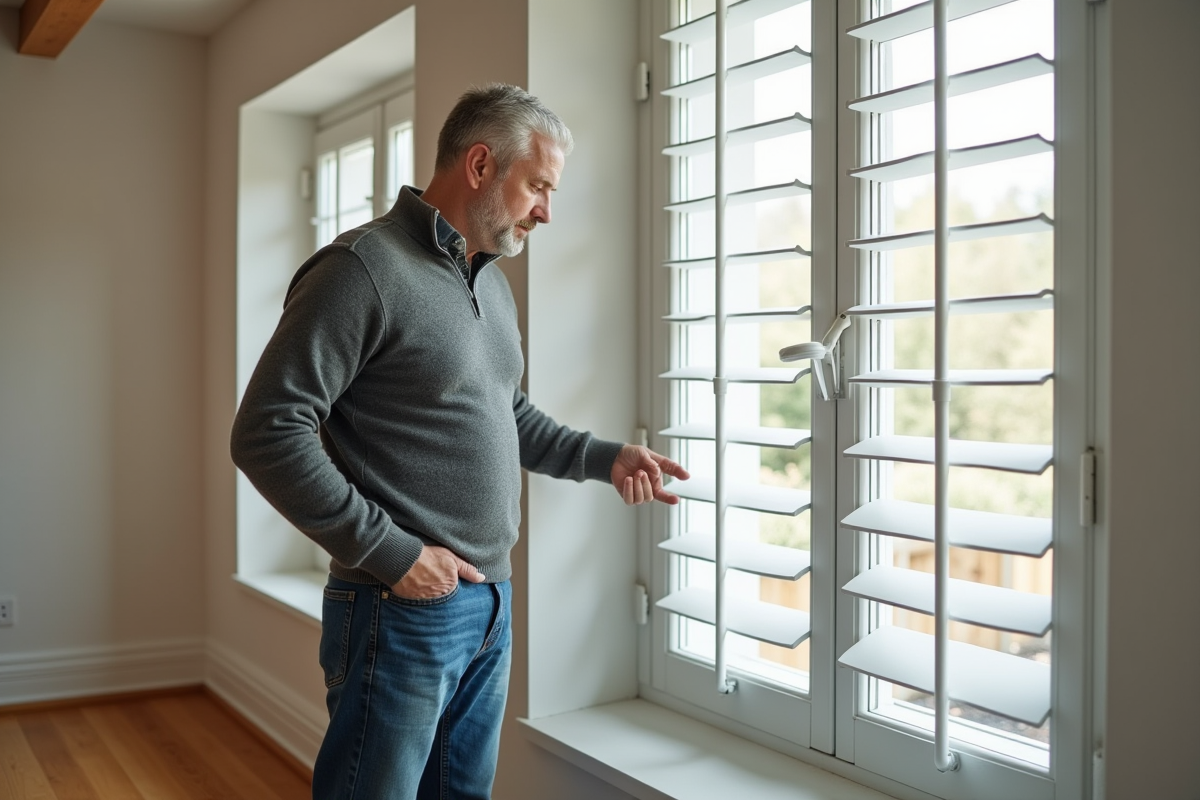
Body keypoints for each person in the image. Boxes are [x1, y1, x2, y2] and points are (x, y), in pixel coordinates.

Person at [229, 83, 688, 800]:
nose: (545, 210)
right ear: (480, 166)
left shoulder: (491, 286)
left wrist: (607, 458)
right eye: (537, 185)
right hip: (397, 605)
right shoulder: (360, 271)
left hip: (489, 606)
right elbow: (266, 430)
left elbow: (508, 416)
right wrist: (393, 554)